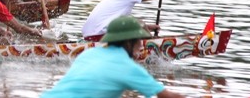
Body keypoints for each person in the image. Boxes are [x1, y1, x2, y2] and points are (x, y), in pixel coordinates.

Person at [42, 16, 186, 98]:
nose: (142, 46)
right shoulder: (127, 67)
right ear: (129, 42)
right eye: (139, 40)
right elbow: (167, 96)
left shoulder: (89, 54)